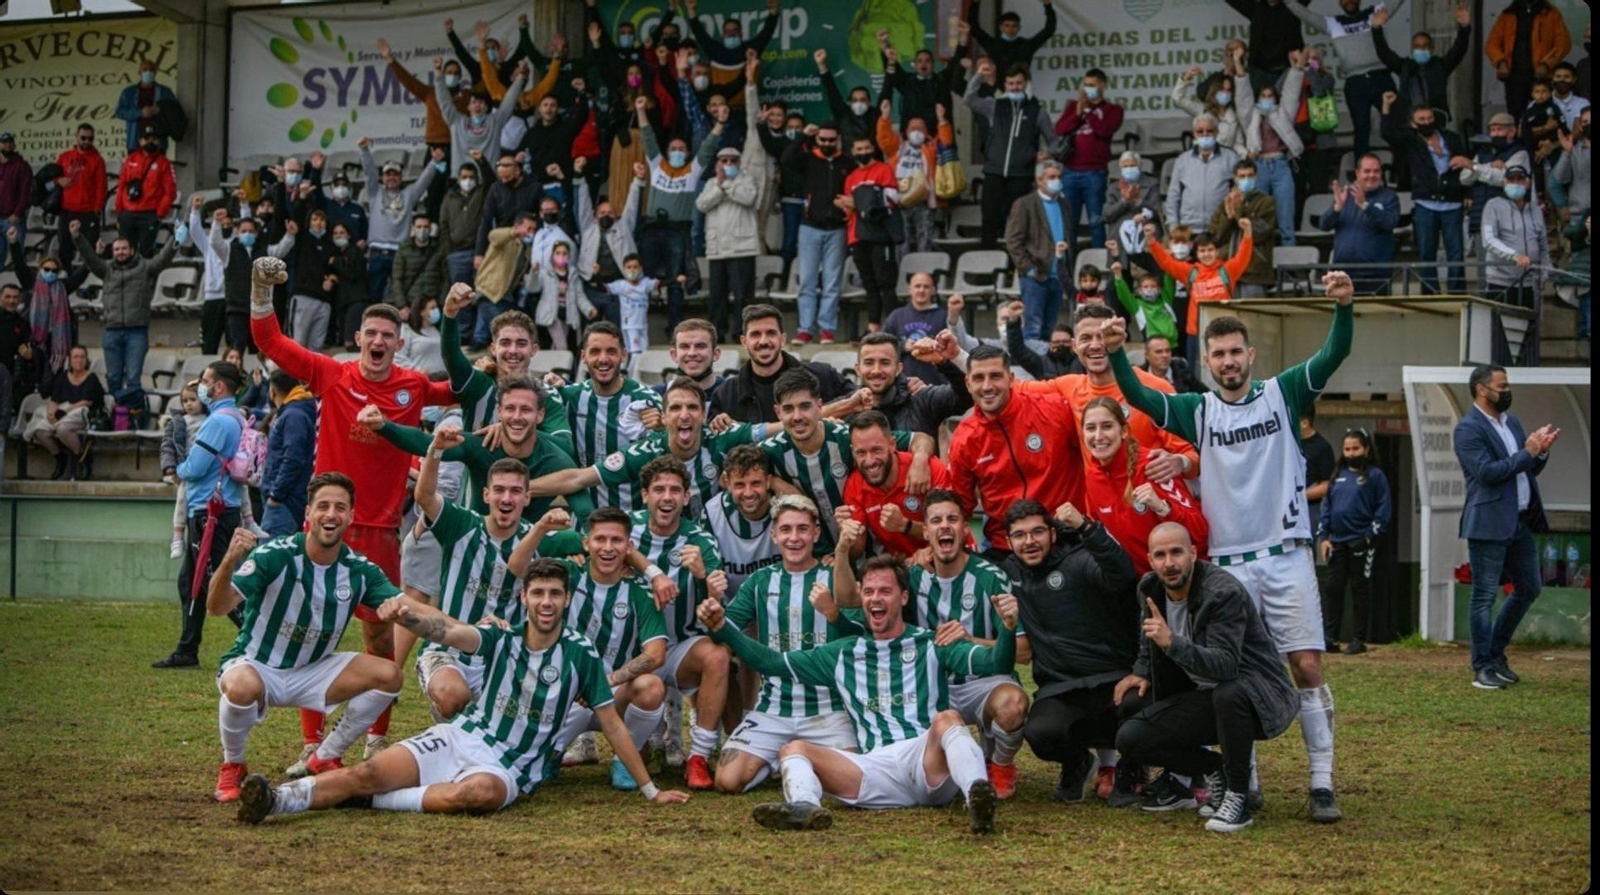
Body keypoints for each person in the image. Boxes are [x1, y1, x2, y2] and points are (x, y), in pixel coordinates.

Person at [1106, 269, 1358, 823]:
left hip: (1286, 552)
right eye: (1218, 354)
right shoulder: (1199, 409)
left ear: (1250, 355)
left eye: (1235, 352)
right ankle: (1248, 782)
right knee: (1228, 674)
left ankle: (1321, 782)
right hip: (1227, 563)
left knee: (1306, 665)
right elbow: (1138, 396)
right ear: (1207, 361)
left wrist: (1343, 308)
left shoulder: (1282, 393)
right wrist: (1119, 353)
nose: (1228, 361)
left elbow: (1334, 354)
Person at [235, 556, 690, 821]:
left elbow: (612, 724)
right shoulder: (502, 636)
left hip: (509, 767)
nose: (546, 602)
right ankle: (277, 800)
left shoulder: (580, 654)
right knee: (367, 770)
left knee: (477, 796)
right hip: (460, 737)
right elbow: (450, 634)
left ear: (567, 599)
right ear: (524, 598)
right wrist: (409, 617)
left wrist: (651, 790)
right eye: (538, 593)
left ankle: (369, 801)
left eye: (555, 593)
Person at [250, 257, 455, 771]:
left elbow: (459, 389)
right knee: (310, 632)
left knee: (379, 635)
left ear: (399, 343)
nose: (379, 341)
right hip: (326, 525)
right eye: (372, 334)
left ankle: (376, 738)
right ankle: (310, 740)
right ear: (359, 338)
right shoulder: (331, 374)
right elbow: (271, 342)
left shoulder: (412, 386)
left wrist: (498, 366)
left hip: (381, 530)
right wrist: (260, 291)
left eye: (388, 335)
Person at [701, 554, 1015, 833]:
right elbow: (770, 662)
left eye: (885, 591)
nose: (875, 598)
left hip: (926, 763)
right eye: (868, 591)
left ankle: (977, 796)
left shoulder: (933, 643)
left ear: (904, 597)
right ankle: (804, 807)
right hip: (874, 769)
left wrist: (1008, 629)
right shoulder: (842, 653)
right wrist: (723, 628)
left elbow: (997, 663)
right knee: (794, 749)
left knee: (948, 719)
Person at [206, 473, 404, 803]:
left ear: (351, 516)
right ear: (308, 513)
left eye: (340, 508)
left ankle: (325, 756)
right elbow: (217, 607)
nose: (331, 514)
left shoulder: (359, 569)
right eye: (323, 506)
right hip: (259, 665)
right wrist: (229, 560)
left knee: (390, 675)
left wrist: (410, 612)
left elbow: (404, 604)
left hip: (314, 670)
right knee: (240, 688)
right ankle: (233, 764)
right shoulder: (274, 555)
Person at [1113, 522, 1301, 833]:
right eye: (1160, 555)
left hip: (1257, 696)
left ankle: (1238, 797)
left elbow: (1226, 666)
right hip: (1203, 695)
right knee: (1130, 734)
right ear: (1150, 560)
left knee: (1229, 692)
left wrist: (1172, 643)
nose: (1169, 563)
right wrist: (1141, 671)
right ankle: (1212, 771)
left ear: (1193, 553)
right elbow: (1149, 636)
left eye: (1176, 552)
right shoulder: (1149, 588)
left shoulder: (1222, 592)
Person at [859, 491, 1028, 796]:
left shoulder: (991, 578)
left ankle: (1000, 764)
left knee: (1012, 705)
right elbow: (870, 600)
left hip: (984, 680)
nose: (945, 526)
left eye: (952, 519)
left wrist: (970, 640)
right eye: (936, 520)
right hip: (932, 685)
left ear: (965, 528)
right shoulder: (913, 577)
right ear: (926, 532)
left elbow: (1025, 652)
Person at [711, 494, 860, 794]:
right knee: (727, 780)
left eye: (803, 529)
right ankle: (780, 758)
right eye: (786, 529)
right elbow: (724, 629)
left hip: (828, 708)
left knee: (851, 780)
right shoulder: (760, 581)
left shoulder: (835, 576)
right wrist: (712, 606)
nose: (794, 538)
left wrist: (833, 614)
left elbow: (858, 639)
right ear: (774, 535)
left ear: (816, 534)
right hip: (774, 708)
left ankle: (795, 757)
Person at [997, 498, 1141, 805]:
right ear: (1008, 542)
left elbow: (1122, 573)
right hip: (1061, 688)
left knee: (1138, 705)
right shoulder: (1008, 572)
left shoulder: (1079, 560)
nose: (1029, 541)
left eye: (1037, 532)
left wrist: (1087, 528)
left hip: (1111, 679)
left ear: (1053, 533)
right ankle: (1078, 763)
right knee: (1040, 733)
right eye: (1019, 535)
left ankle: (1132, 769)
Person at [623, 456, 731, 789]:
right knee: (635, 759)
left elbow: (716, 605)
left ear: (686, 497)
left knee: (718, 656)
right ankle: (636, 746)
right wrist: (651, 571)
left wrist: (702, 577)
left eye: (674, 490)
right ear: (645, 495)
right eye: (659, 489)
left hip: (680, 647)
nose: (666, 497)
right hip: (633, 651)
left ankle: (698, 757)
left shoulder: (700, 540)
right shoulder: (625, 530)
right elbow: (594, 546)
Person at [1454, 364, 1557, 690]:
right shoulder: (1468, 429)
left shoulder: (1511, 422)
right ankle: (1482, 666)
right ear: (1482, 389)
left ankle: (1496, 654)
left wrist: (1540, 454)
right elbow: (1488, 472)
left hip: (1519, 520)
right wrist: (1528, 452)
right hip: (1488, 522)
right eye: (1502, 386)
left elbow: (1524, 469)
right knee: (1484, 596)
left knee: (1529, 588)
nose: (1507, 390)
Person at [368, 379, 593, 526]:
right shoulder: (484, 443)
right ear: (499, 412)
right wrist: (383, 426)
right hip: (474, 545)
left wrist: (579, 545)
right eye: (510, 409)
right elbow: (424, 443)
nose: (517, 417)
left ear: (540, 415)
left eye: (526, 410)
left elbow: (585, 511)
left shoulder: (556, 460)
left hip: (527, 553)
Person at [759, 370, 936, 555]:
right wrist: (773, 482)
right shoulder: (770, 451)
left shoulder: (845, 436)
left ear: (819, 406)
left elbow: (919, 438)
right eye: (788, 409)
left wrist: (920, 460)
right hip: (811, 558)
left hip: (868, 555)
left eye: (805, 406)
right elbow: (738, 470)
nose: (797, 416)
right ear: (778, 412)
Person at [1014, 306, 1200, 481]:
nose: (1095, 345)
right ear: (1074, 346)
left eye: (1103, 337)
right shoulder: (1068, 386)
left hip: (1150, 501)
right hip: (1100, 502)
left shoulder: (1155, 387)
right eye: (1086, 338)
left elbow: (1193, 459)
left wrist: (1180, 462)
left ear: (1120, 339)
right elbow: (1011, 388)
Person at [529, 378, 758, 519]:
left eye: (692, 407)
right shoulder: (645, 452)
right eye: (676, 408)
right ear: (664, 417)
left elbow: (772, 432)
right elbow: (578, 478)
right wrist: (521, 490)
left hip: (712, 542)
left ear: (703, 414)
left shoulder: (721, 436)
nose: (684, 415)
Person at [947, 345, 1086, 557]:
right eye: (978, 378)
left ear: (1011, 379)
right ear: (968, 383)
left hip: (1066, 540)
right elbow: (960, 505)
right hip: (1005, 547)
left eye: (995, 376)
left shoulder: (1054, 410)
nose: (987, 386)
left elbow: (1096, 457)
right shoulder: (964, 438)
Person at [153, 361, 246, 669]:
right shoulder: (234, 417)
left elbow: (195, 467)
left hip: (210, 513)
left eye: (205, 381)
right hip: (217, 509)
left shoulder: (218, 421)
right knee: (189, 582)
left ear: (219, 386)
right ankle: (187, 649)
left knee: (213, 582)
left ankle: (260, 638)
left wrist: (177, 471)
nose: (201, 386)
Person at [1081, 397, 1210, 576]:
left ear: (1124, 431)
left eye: (1107, 426)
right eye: (1090, 428)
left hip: (1189, 578)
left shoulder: (1153, 466)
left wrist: (1163, 508)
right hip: (1142, 584)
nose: (1098, 436)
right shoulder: (1093, 479)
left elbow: (1200, 532)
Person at [557, 322, 663, 500]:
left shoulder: (647, 401)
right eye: (595, 351)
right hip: (587, 513)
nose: (603, 359)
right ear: (583, 356)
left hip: (634, 513)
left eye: (611, 351)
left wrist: (662, 429)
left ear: (624, 355)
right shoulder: (569, 398)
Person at [71, 222, 178, 394]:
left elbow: (163, 258)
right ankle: (117, 410)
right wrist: (77, 237)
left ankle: (132, 410)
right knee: (113, 378)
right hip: (111, 331)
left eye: (124, 248)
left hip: (137, 332)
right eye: (117, 249)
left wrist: (176, 238)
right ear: (112, 252)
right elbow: (89, 258)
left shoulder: (145, 267)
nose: (120, 252)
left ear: (132, 250)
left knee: (133, 378)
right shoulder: (106, 269)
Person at [836, 410, 955, 559]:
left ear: (892, 444)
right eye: (861, 453)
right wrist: (846, 536)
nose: (870, 461)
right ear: (853, 452)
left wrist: (904, 525)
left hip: (948, 557)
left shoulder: (931, 469)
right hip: (901, 567)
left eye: (876, 450)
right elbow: (856, 551)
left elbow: (953, 531)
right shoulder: (854, 484)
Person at [1290, 0, 1402, 156]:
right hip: (1355, 82)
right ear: (1339, 3)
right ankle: (1360, 168)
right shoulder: (1333, 24)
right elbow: (1306, 15)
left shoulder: (1375, 13)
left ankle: (1405, 168)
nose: (1349, 1)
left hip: (1381, 77)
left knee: (1396, 125)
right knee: (1361, 129)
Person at [966, 64, 1059, 250]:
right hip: (994, 171)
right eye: (1010, 83)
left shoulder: (1037, 112)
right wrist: (978, 76)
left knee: (1019, 221)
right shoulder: (995, 106)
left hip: (1021, 175)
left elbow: (1054, 141)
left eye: (1018, 83)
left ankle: (1016, 262)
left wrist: (1047, 154)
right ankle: (988, 259)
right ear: (1005, 85)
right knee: (989, 219)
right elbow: (969, 99)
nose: (1015, 87)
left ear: (1026, 84)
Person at [709, 304, 851, 424]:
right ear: (744, 342)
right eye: (755, 334)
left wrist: (831, 422)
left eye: (771, 333)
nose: (763, 341)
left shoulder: (822, 375)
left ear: (782, 339)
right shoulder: (726, 394)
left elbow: (857, 401)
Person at [1317, 428, 1391, 655]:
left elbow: (1383, 509)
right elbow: (1327, 507)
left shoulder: (1375, 476)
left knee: (1360, 589)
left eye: (1355, 449)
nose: (1351, 453)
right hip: (1337, 542)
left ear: (1366, 449)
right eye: (1347, 449)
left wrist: (1369, 536)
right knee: (1333, 588)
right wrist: (1324, 537)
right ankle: (1330, 637)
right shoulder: (1337, 475)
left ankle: (1359, 638)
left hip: (1361, 542)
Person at [824, 330, 972, 439]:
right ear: (857, 369)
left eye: (885, 363)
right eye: (869, 363)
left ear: (898, 369)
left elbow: (967, 395)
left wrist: (943, 362)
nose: (876, 370)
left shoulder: (921, 398)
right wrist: (844, 408)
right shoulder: (844, 407)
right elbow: (811, 424)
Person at [782, 118, 853, 344]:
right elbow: (786, 159)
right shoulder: (809, 158)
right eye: (823, 139)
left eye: (831, 140)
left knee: (832, 282)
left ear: (838, 139)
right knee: (807, 281)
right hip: (809, 227)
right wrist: (803, 136)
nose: (827, 143)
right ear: (817, 138)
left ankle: (827, 329)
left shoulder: (847, 162)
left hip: (837, 228)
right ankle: (805, 329)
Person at [1145, 217, 1256, 345]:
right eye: (1202, 251)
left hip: (1223, 332)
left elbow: (1243, 256)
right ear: (1197, 254)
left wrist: (1247, 232)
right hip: (1196, 333)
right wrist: (1151, 240)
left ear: (1217, 251)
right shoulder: (1191, 272)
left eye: (1210, 250)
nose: (1206, 254)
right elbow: (1166, 262)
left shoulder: (1228, 270)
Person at [1238, 51, 1305, 247]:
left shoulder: (1282, 114)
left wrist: (1296, 68)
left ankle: (1290, 259)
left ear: (1275, 98)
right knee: (1259, 217)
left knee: (1286, 217)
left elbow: (1291, 94)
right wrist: (1238, 66)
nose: (1267, 99)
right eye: (1263, 96)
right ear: (1258, 98)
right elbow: (1242, 98)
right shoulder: (1251, 115)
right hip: (1259, 167)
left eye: (1270, 96)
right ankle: (1263, 259)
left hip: (1281, 166)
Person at [697, 145, 761, 341]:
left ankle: (742, 332)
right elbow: (702, 204)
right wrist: (719, 186)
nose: (729, 164)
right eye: (724, 161)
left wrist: (726, 185)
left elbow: (748, 198)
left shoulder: (747, 180)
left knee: (743, 295)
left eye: (733, 161)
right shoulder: (711, 183)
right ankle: (718, 333)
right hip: (717, 249)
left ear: (739, 163)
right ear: (718, 163)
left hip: (742, 248)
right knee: (717, 295)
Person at [1006, 161, 1075, 341]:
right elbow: (1013, 240)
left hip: (1058, 274)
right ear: (1039, 180)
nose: (1056, 180)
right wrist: (1028, 268)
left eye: (1058, 177)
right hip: (1035, 275)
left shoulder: (1064, 204)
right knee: (1033, 328)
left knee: (1049, 328)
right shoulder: (1025, 204)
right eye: (1051, 177)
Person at [1054, 68, 1124, 246]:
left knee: (1096, 221)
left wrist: (1088, 111)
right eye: (1085, 84)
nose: (1088, 88)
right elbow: (1060, 129)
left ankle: (1099, 259)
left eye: (1092, 85)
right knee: (1069, 222)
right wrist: (1078, 112)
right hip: (1070, 171)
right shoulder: (1073, 106)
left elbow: (1104, 131)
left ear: (1103, 86)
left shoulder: (1113, 110)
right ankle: (1069, 260)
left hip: (1095, 173)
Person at [839, 136, 902, 332]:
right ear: (853, 151)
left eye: (866, 148)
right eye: (859, 149)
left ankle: (893, 329)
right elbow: (849, 209)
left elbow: (892, 200)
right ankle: (873, 327)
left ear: (872, 149)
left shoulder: (884, 170)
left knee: (886, 283)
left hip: (880, 235)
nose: (863, 152)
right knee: (869, 284)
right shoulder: (851, 177)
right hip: (856, 236)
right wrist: (845, 206)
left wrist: (857, 202)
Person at [703, 444, 784, 592]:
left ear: (768, 481)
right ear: (728, 483)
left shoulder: (785, 508)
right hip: (732, 603)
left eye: (755, 483)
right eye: (740, 485)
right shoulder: (712, 512)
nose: (748, 493)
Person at [1372, 5, 1471, 124]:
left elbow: (1459, 49)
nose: (1421, 49)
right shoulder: (1404, 66)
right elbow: (1384, 54)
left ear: (1432, 49)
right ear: (1412, 49)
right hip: (1409, 121)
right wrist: (1376, 29)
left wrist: (1464, 27)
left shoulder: (1441, 66)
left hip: (1435, 119)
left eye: (1425, 46)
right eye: (1417, 46)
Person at [1320, 154, 1401, 294]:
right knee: (1343, 309)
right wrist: (1336, 208)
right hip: (1342, 274)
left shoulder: (1389, 196)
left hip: (1376, 275)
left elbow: (1390, 222)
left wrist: (1365, 205)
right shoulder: (1345, 196)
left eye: (1376, 171)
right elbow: (1323, 225)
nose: (1372, 175)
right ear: (1357, 173)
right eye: (1367, 171)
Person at [1481, 165, 1550, 324]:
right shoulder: (1493, 205)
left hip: (1530, 284)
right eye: (1511, 179)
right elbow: (1489, 240)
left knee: (1529, 331)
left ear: (1528, 183)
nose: (1516, 183)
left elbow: (1543, 245)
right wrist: (1515, 256)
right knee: (1499, 331)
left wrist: (1545, 273)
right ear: (1504, 182)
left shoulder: (1535, 210)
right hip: (1501, 283)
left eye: (1520, 179)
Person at [24, 343, 102, 480]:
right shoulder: (61, 377)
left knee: (62, 429)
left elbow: (86, 402)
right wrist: (51, 412)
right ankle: (59, 458)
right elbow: (54, 400)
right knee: (40, 431)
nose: (79, 360)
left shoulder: (92, 379)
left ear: (86, 360)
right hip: (61, 413)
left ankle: (83, 457)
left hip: (81, 415)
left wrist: (64, 412)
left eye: (82, 357)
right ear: (70, 360)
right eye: (76, 357)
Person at [1484, 0, 1572, 118]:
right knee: (1516, 116)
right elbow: (1492, 44)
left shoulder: (1551, 14)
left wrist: (1546, 64)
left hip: (1541, 77)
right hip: (1514, 77)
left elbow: (1563, 44)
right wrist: (1501, 62)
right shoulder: (1508, 15)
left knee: (1544, 115)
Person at [1209, 160, 1280, 295]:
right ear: (1235, 178)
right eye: (1242, 176)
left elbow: (1260, 234)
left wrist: (1239, 210)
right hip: (1226, 272)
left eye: (1250, 175)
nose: (1246, 179)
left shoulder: (1266, 202)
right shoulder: (1226, 203)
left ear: (1256, 177)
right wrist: (1228, 217)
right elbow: (1216, 238)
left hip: (1253, 273)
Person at [260, 370, 315, 538]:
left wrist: (276, 495)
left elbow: (293, 458)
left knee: (270, 552)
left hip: (285, 502)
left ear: (272, 391)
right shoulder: (296, 411)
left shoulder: (293, 415)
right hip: (288, 499)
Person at [1166, 115, 1240, 231]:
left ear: (1217, 132)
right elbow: (1173, 194)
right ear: (1194, 134)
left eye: (1209, 131)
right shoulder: (1182, 160)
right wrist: (1173, 224)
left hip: (1221, 226)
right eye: (1200, 131)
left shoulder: (1231, 158)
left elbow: (1240, 192)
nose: (1205, 134)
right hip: (1188, 228)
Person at [115, 125, 177, 257]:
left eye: (154, 139)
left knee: (146, 252)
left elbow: (170, 192)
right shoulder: (130, 159)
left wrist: (159, 213)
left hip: (149, 214)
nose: (150, 142)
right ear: (140, 141)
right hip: (127, 213)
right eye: (146, 139)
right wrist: (120, 210)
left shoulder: (164, 163)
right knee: (125, 253)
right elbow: (121, 185)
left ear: (159, 141)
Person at [159, 381, 207, 554]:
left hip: (207, 468)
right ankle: (178, 536)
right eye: (185, 401)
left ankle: (248, 521)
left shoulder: (211, 418)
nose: (188, 404)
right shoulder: (178, 422)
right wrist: (169, 466)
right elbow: (167, 446)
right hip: (186, 468)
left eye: (193, 400)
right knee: (181, 500)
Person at [53, 124, 107, 268]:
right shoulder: (64, 157)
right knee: (64, 247)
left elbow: (101, 187)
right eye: (83, 138)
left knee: (89, 250)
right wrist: (59, 180)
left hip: (88, 211)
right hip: (66, 210)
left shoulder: (97, 160)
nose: (86, 141)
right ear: (76, 137)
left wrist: (97, 208)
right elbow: (51, 176)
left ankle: (88, 277)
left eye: (90, 139)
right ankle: (67, 276)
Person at [1224, 0, 1307, 92]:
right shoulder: (1255, 8)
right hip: (1261, 71)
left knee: (1293, 99)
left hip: (1289, 68)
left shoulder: (1293, 6)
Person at [1173, 66, 1246, 158]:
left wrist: (1246, 155)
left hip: (1224, 160)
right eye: (1222, 89)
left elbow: (1238, 145)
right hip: (1200, 157)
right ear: (1215, 91)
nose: (1225, 93)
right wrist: (1186, 78)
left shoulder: (1233, 118)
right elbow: (1178, 99)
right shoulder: (1203, 110)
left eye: (1228, 90)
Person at [966, 0, 1056, 72]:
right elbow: (974, 28)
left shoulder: (1026, 45)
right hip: (997, 88)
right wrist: (975, 4)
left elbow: (1049, 30)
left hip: (1022, 87)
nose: (1010, 29)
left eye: (1014, 26)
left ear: (1019, 27)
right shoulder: (993, 44)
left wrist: (1048, 6)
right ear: (1001, 27)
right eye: (1007, 25)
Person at [114, 58, 178, 154]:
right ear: (139, 72)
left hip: (158, 142)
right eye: (145, 70)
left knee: (158, 164)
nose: (148, 72)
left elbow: (175, 112)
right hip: (135, 142)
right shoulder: (129, 92)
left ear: (155, 72)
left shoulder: (165, 91)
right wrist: (140, 113)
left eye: (151, 70)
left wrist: (160, 110)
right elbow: (119, 112)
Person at [652, 319, 724, 401]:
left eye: (701, 346)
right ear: (674, 355)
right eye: (684, 346)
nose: (692, 353)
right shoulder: (656, 396)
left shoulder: (732, 393)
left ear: (715, 354)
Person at [1299, 403, 1337, 548]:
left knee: (1305, 548)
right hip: (1282, 507)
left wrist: (1300, 496)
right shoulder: (1288, 442)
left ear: (1305, 423)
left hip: (1309, 508)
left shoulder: (1322, 447)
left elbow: (1327, 485)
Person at [0, 132, 32, 272]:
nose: (7, 145)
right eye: (4, 142)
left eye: (10, 142)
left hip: (13, 218)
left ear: (14, 145)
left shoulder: (22, 166)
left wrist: (17, 213)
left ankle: (20, 283)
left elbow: (25, 193)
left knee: (17, 256)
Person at [394, 295, 445, 376]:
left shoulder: (436, 331)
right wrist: (416, 370)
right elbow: (398, 356)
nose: (436, 311)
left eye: (436, 307)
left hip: (442, 378)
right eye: (432, 308)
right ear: (422, 312)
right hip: (420, 378)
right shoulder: (407, 330)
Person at [1140, 334, 1206, 394]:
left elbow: (1205, 396)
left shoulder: (1184, 374)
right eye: (1159, 352)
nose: (1165, 355)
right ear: (1147, 355)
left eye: (1167, 351)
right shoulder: (1138, 377)